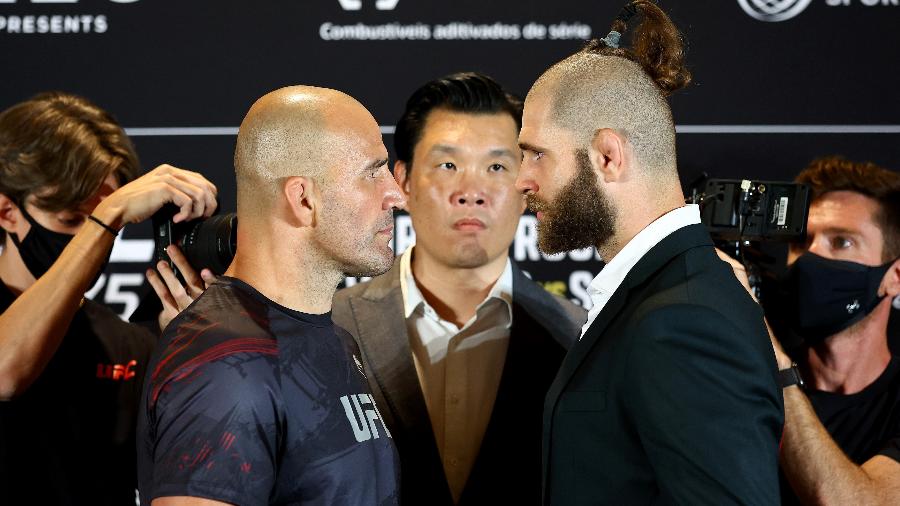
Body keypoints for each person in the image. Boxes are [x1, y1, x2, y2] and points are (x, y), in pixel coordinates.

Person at [514, 2, 783, 504]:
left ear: (608, 156)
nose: (521, 180)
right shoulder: (662, 296)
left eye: (535, 154)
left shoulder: (683, 321)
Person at [137, 85, 405, 506]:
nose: (396, 194)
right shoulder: (226, 365)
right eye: (373, 172)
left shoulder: (333, 339)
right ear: (303, 199)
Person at [331, 72, 586, 505]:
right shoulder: (326, 326)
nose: (472, 192)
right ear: (404, 181)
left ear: (526, 186)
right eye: (448, 165)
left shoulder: (584, 340)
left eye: (497, 167)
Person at [0, 92, 218, 505]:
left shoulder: (129, 343)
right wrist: (107, 215)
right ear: (7, 212)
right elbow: (5, 372)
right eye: (71, 221)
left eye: (104, 223)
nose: (94, 239)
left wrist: (188, 360)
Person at [740, 157, 900, 505]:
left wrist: (769, 357)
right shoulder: (738, 380)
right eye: (801, 242)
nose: (810, 258)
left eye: (841, 242)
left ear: (894, 276)